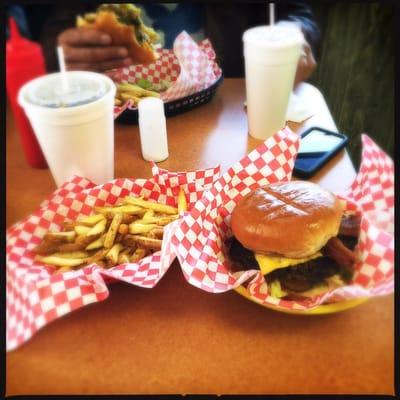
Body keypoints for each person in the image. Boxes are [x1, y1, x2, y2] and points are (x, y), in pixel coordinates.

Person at [16, 2, 320, 87]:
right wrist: (61, 57)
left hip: (231, 115)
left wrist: (293, 33)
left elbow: (296, 14)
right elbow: (57, 33)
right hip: (119, 128)